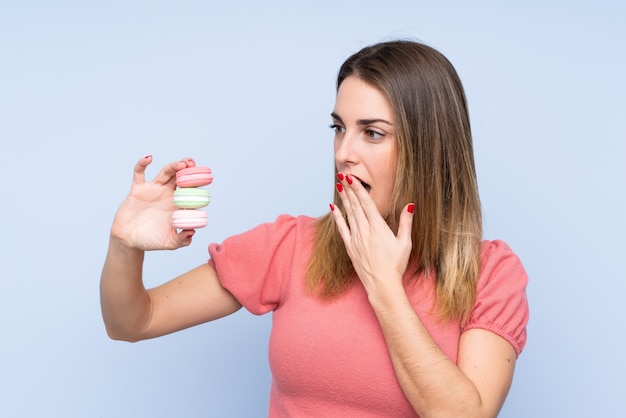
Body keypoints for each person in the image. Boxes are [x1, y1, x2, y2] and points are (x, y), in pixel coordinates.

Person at [100, 40, 529, 417]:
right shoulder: (289, 246)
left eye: (373, 134)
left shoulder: (490, 273)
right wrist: (124, 245)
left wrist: (383, 284)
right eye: (338, 128)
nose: (344, 152)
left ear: (429, 146)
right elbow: (133, 322)